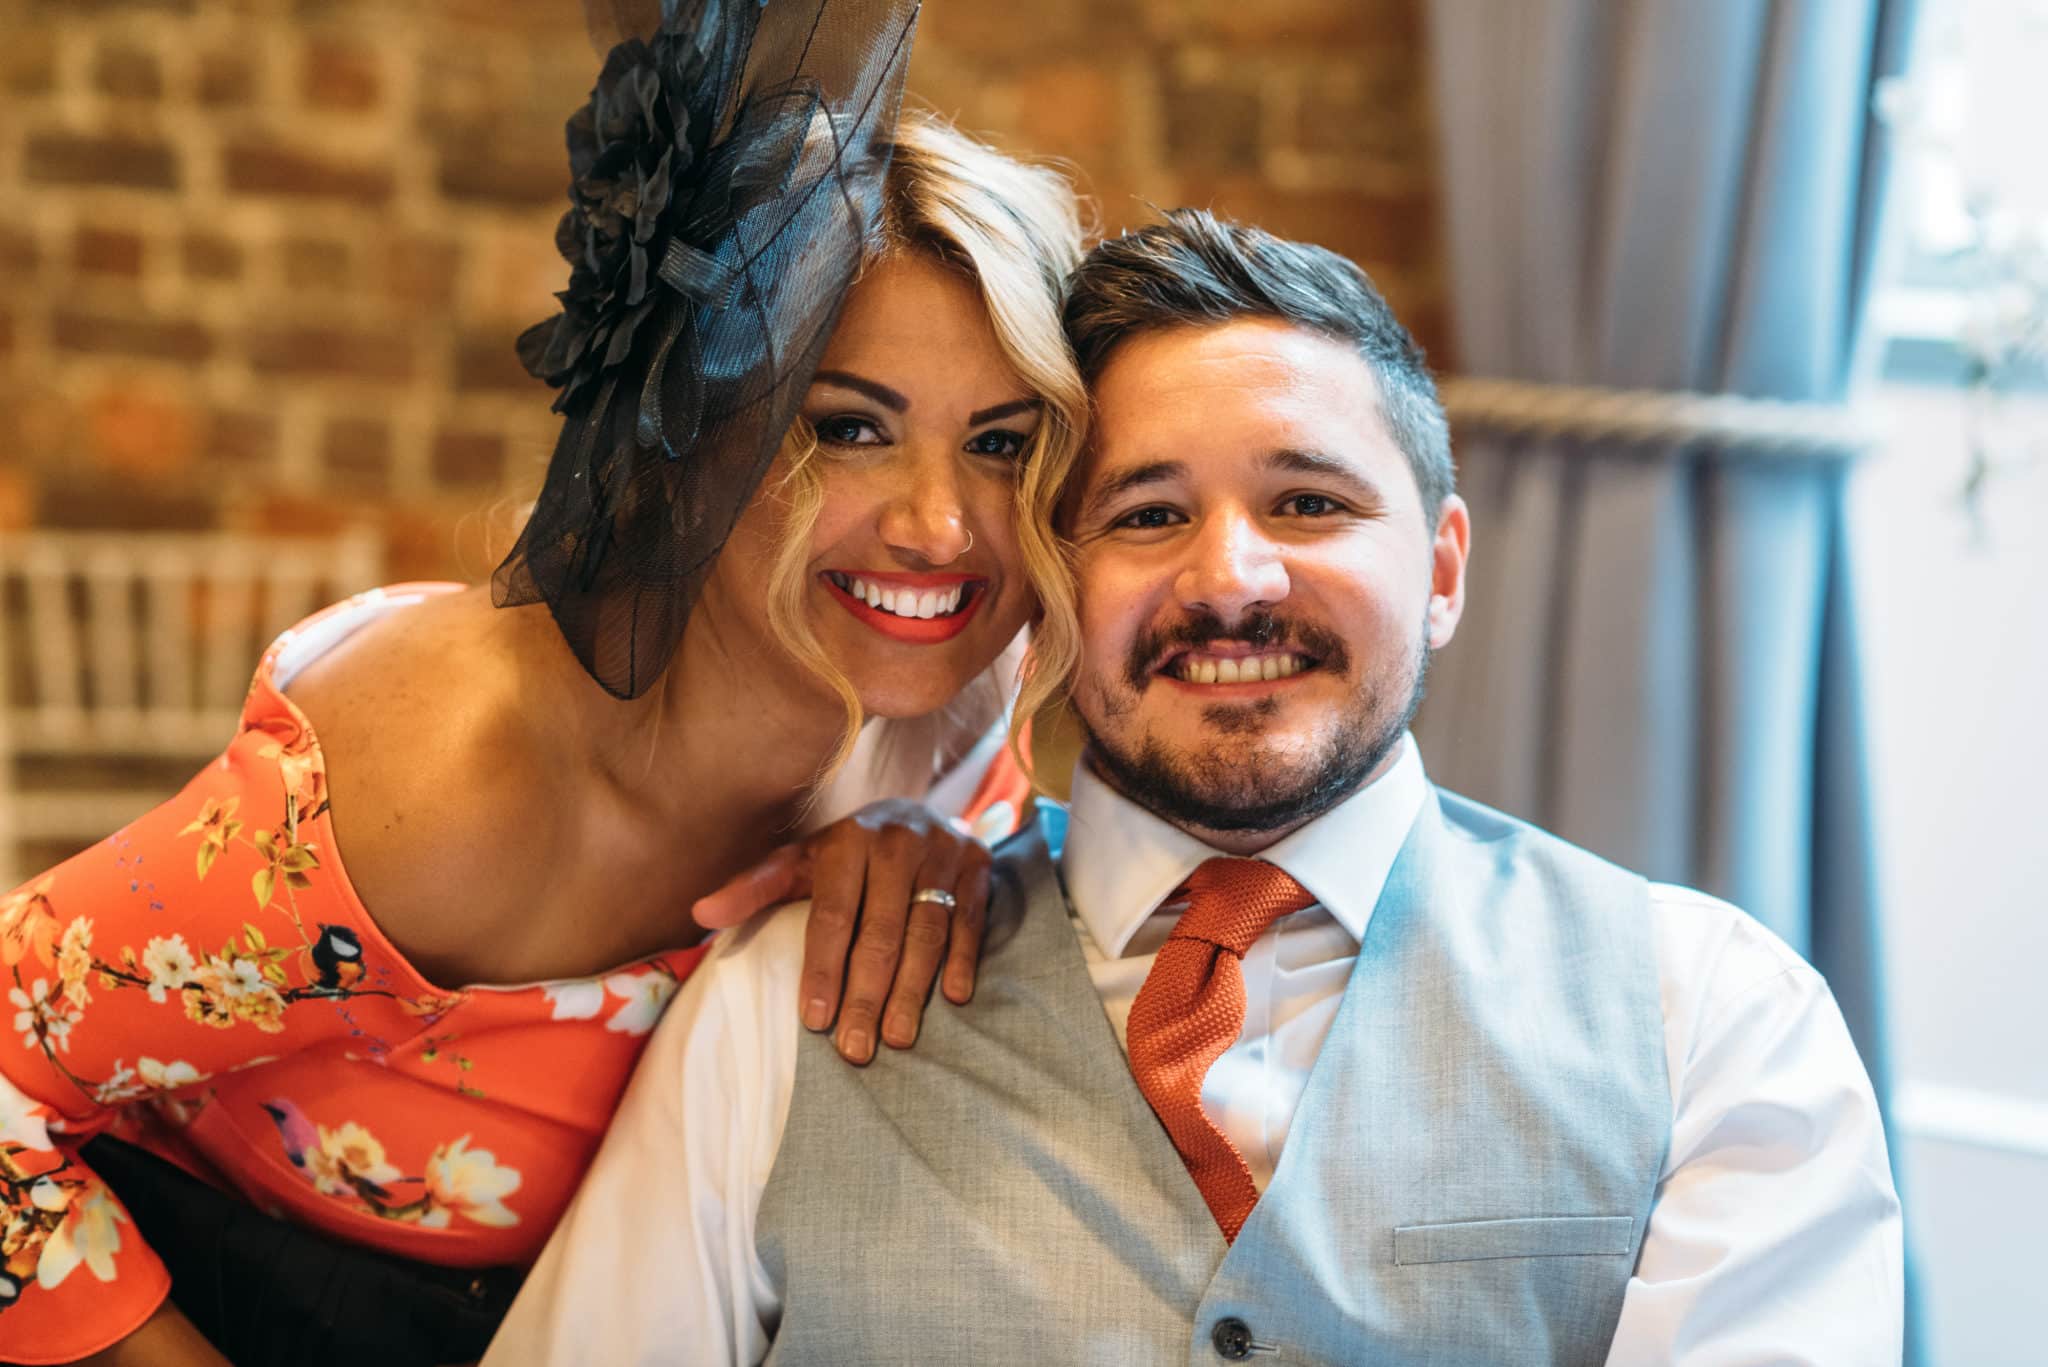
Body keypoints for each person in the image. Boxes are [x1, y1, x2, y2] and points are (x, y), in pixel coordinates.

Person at [489, 210, 1904, 1366]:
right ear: (1049, 582)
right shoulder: (784, 1007)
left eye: (1309, 503)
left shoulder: (1712, 1020)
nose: (1231, 579)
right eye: (1147, 514)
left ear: (1446, 567)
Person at [0, 3, 1092, 1362]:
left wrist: (941, 852)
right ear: (702, 428)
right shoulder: (450, 778)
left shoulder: (962, 709)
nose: (941, 527)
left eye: (1001, 442)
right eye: (850, 430)